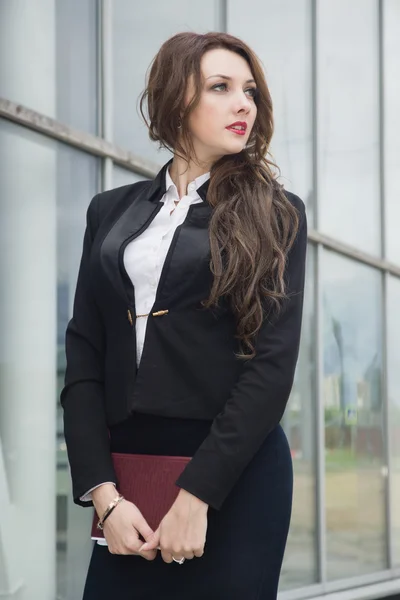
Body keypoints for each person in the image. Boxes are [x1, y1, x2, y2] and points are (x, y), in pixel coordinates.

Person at [60, 30, 307, 600]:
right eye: (220, 87)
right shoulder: (110, 211)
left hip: (233, 473)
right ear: (177, 98)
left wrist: (195, 498)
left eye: (249, 91)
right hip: (127, 478)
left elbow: (270, 369)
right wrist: (103, 494)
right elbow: (84, 355)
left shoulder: (278, 213)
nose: (243, 102)